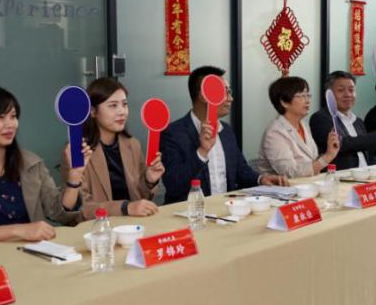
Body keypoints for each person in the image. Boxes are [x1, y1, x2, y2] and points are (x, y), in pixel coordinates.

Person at [0, 84, 86, 245]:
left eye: (13, 116)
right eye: (0, 117)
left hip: (32, 253)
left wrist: (74, 177)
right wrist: (19, 230)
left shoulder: (31, 163)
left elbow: (59, 212)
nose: (10, 124)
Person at [160, 66, 286, 203]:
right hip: (190, 211)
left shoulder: (226, 130)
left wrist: (261, 179)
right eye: (224, 92)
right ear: (203, 95)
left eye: (229, 92)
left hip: (226, 209)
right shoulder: (173, 133)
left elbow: (240, 170)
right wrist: (202, 152)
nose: (231, 98)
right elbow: (173, 185)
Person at [60, 77, 165, 219]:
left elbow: (140, 199)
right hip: (99, 228)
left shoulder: (133, 145)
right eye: (113, 106)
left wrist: (149, 180)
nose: (122, 112)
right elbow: (80, 209)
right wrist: (125, 208)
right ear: (93, 111)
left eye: (124, 104)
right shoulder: (78, 151)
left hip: (133, 226)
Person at [309, 71, 376, 170]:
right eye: (341, 90)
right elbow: (343, 143)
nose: (348, 94)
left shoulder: (358, 121)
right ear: (328, 94)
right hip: (340, 176)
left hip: (367, 175)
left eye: (351, 90)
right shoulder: (320, 118)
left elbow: (370, 153)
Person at [258, 76, 340, 177]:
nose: (307, 100)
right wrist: (327, 157)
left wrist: (330, 151)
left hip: (308, 183)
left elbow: (312, 160)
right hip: (284, 186)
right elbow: (289, 173)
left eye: (308, 95)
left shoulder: (303, 125)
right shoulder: (274, 132)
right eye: (301, 96)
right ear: (284, 102)